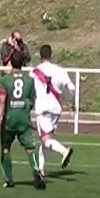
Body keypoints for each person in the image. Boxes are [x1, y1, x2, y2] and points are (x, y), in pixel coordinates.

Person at [0, 50, 44, 190]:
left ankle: (9, 179)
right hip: (23, 118)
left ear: (10, 62)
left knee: (5, 148)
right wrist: (26, 110)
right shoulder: (30, 80)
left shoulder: (5, 80)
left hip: (9, 119)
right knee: (30, 148)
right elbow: (32, 100)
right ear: (23, 63)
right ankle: (36, 170)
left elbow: (2, 101)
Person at [32, 44, 76, 176]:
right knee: (47, 139)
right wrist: (73, 101)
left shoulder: (35, 71)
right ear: (51, 55)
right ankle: (41, 169)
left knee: (46, 139)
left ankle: (64, 151)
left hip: (42, 108)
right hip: (56, 108)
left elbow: (29, 88)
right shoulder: (60, 70)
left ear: (40, 56)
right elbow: (72, 88)